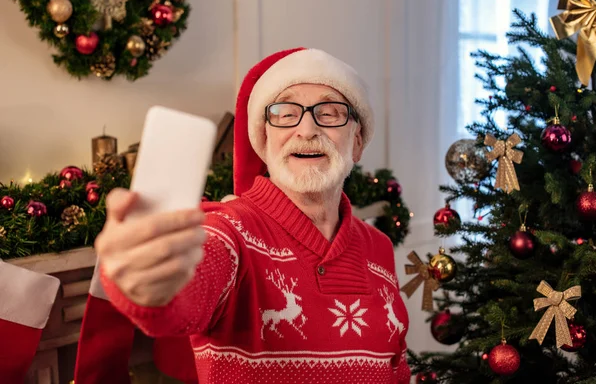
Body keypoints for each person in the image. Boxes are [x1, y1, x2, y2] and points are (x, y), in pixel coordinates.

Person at [96, 47, 410, 383]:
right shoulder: (226, 231)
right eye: (285, 114)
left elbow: (396, 368)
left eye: (330, 113)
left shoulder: (378, 246)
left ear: (357, 141)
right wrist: (152, 285)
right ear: (264, 137)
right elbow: (182, 299)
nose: (306, 130)